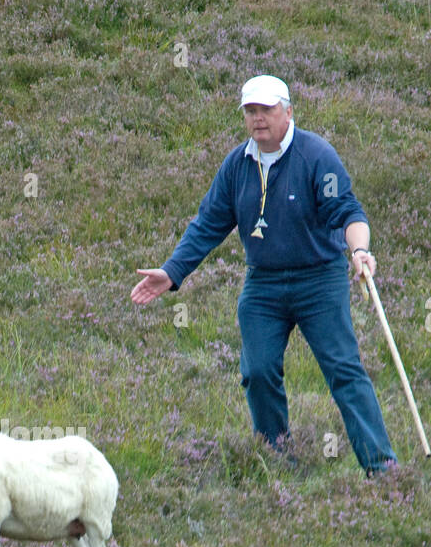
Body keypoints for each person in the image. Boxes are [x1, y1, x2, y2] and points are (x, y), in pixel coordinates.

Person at [130, 75, 397, 476]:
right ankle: (277, 460)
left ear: (288, 112)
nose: (258, 119)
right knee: (257, 372)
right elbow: (208, 224)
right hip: (263, 285)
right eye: (250, 111)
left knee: (344, 370)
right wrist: (172, 272)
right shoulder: (236, 165)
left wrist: (360, 250)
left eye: (267, 110)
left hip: (318, 280)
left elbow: (347, 212)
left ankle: (383, 469)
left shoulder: (316, 155)